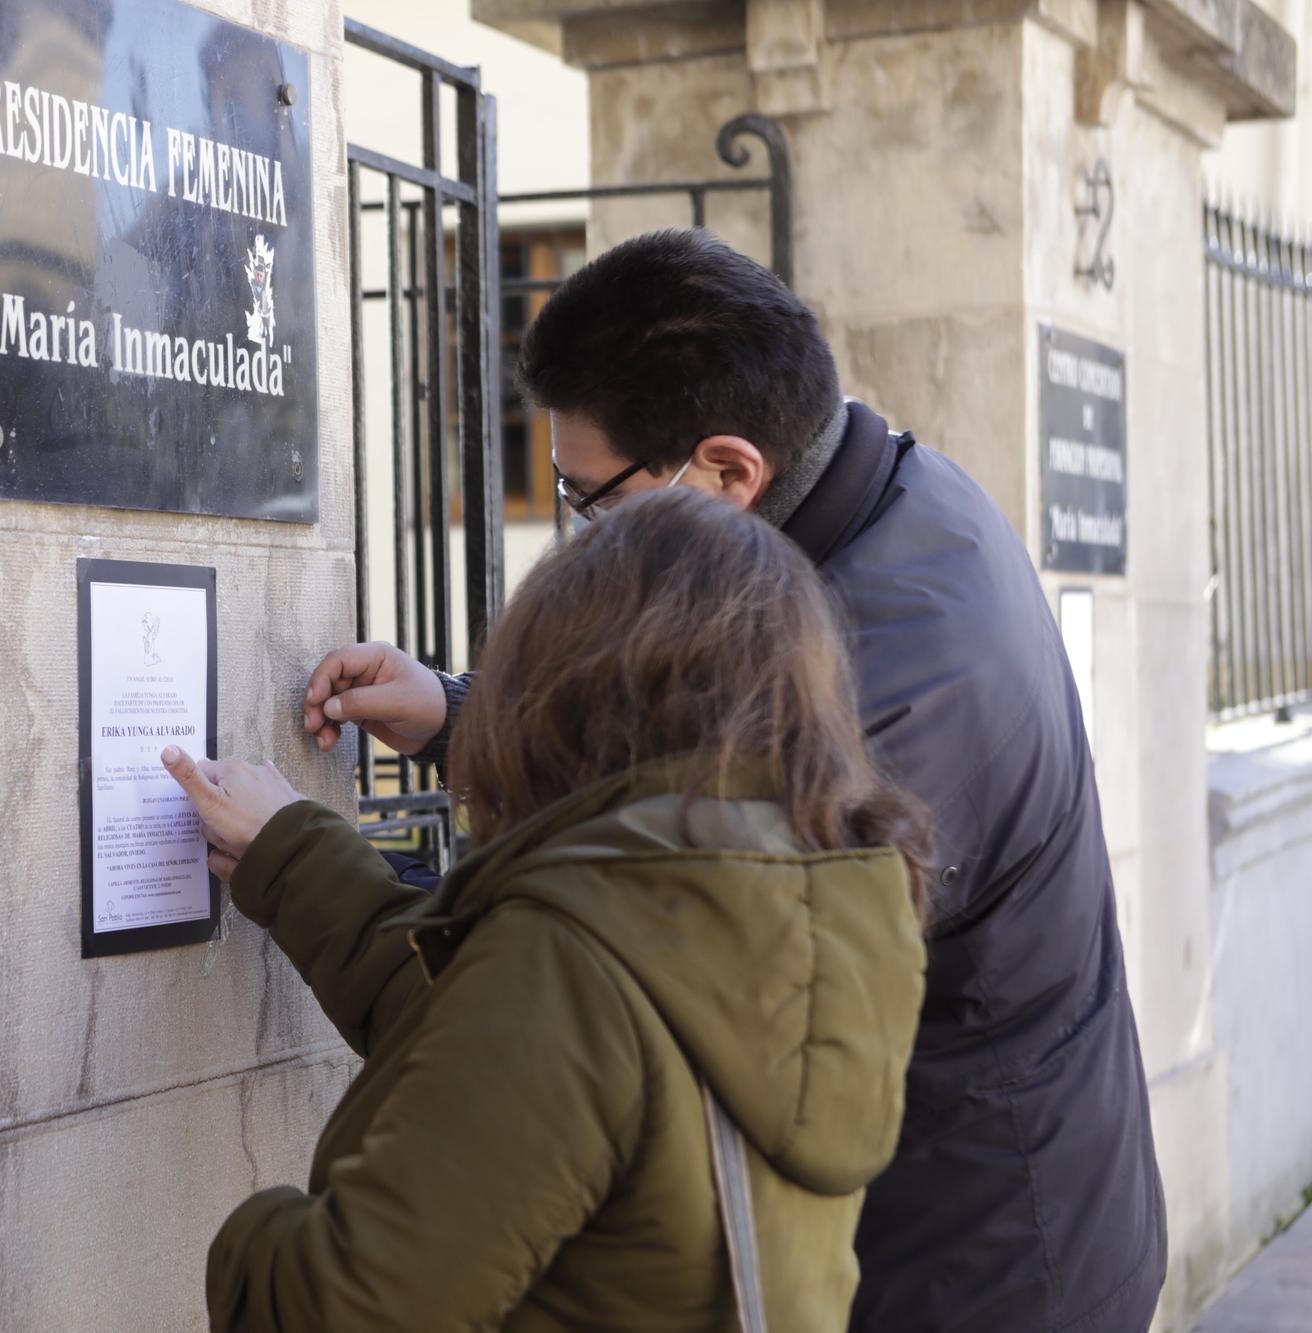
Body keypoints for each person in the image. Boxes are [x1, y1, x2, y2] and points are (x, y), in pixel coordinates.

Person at [303, 230, 1165, 1331]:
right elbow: (670, 777)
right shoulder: (891, 500)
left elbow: (626, 962)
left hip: (971, 1268)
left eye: (590, 500)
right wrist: (457, 714)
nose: (582, 542)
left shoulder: (878, 680)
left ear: (725, 470)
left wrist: (299, 865)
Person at [164, 488, 931, 1331]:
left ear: (576, 692)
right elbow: (489, 1039)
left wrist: (246, 1234)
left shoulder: (581, 953)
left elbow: (344, 1305)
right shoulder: (794, 902)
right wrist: (297, 855)